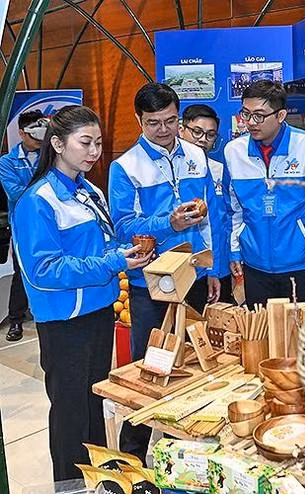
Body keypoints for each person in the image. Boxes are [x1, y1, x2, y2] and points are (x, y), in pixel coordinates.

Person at [13, 105, 152, 480]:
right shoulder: (36, 201)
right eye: (85, 142)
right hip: (64, 322)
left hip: (99, 310)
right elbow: (44, 272)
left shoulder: (89, 190)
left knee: (93, 402)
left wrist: (123, 254)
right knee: (70, 411)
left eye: (99, 143)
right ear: (57, 143)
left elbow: (106, 243)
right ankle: (71, 485)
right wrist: (111, 264)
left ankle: (100, 478)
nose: (94, 151)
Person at [109, 83, 223, 462]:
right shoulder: (125, 167)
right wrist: (167, 224)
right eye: (154, 123)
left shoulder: (196, 154)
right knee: (149, 367)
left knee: (195, 360)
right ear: (139, 121)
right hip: (150, 282)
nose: (164, 129)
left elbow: (213, 216)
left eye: (171, 120)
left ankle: (190, 450)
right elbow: (123, 226)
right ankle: (133, 455)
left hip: (193, 273)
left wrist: (215, 267)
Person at [224, 80, 305, 305]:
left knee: (298, 334)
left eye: (259, 115)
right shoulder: (233, 152)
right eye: (245, 114)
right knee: (261, 335)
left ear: (281, 115)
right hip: (254, 264)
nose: (250, 122)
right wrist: (234, 251)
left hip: (302, 263)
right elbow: (232, 210)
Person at [179, 104, 234, 303]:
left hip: (221, 267)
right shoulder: (173, 171)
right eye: (197, 132)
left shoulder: (220, 170)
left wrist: (220, 267)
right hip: (185, 268)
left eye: (210, 135)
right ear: (181, 129)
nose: (203, 139)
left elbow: (228, 217)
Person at [0, 110, 46, 341]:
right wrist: (45, 191)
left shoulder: (51, 155)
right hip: (22, 226)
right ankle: (15, 320)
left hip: (48, 224)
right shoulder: (7, 162)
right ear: (21, 133)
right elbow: (15, 193)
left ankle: (42, 315)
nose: (39, 139)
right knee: (21, 273)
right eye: (33, 134)